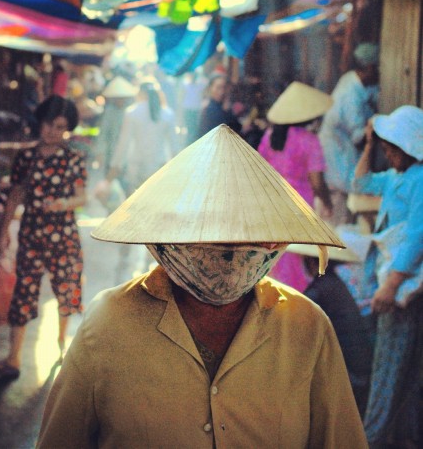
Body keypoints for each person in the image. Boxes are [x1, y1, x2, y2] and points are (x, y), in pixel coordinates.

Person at [37, 124, 367, 448]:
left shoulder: (307, 327)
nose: (226, 247)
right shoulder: (108, 323)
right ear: (166, 239)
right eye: (210, 229)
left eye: (241, 230)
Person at [0, 95, 87, 380]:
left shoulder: (74, 158)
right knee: (22, 296)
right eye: (49, 124)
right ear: (40, 123)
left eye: (60, 126)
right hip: (31, 236)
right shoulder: (26, 157)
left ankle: (63, 347)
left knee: (66, 293)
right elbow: (15, 196)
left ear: (67, 128)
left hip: (64, 238)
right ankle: (12, 360)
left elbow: (81, 197)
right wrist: (2, 235)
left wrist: (61, 204)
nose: (53, 131)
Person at [352, 105, 423, 447]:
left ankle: (371, 439)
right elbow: (361, 181)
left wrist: (390, 285)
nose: (388, 153)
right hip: (396, 283)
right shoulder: (397, 177)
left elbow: (416, 236)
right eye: (386, 147)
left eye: (393, 147)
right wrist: (368, 145)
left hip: (400, 286)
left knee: (389, 369)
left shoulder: (420, 179)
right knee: (401, 370)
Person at [258, 81, 333, 292]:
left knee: (274, 255)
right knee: (295, 256)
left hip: (271, 204)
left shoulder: (270, 137)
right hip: (299, 207)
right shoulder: (310, 141)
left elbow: (260, 168)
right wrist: (327, 202)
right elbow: (317, 181)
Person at [286, 242, 374, 417]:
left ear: (311, 262)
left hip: (350, 377)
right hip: (360, 371)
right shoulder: (334, 283)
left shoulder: (319, 290)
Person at [319, 42, 380, 225]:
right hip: (338, 152)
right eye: (376, 69)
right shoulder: (350, 95)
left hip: (341, 150)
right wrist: (374, 128)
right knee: (340, 211)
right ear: (369, 68)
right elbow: (357, 137)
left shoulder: (355, 80)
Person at [106, 77, 180, 196]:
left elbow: (123, 143)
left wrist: (114, 168)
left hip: (136, 169)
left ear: (140, 92)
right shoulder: (167, 114)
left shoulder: (132, 112)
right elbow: (174, 147)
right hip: (160, 168)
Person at [94, 75, 137, 174]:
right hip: (112, 153)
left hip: (129, 156)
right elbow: (103, 133)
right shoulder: (110, 111)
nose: (120, 100)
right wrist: (99, 153)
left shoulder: (132, 111)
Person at [196, 74, 241, 139]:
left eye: (224, 87)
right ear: (210, 88)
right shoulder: (209, 108)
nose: (221, 92)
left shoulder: (224, 107)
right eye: (218, 87)